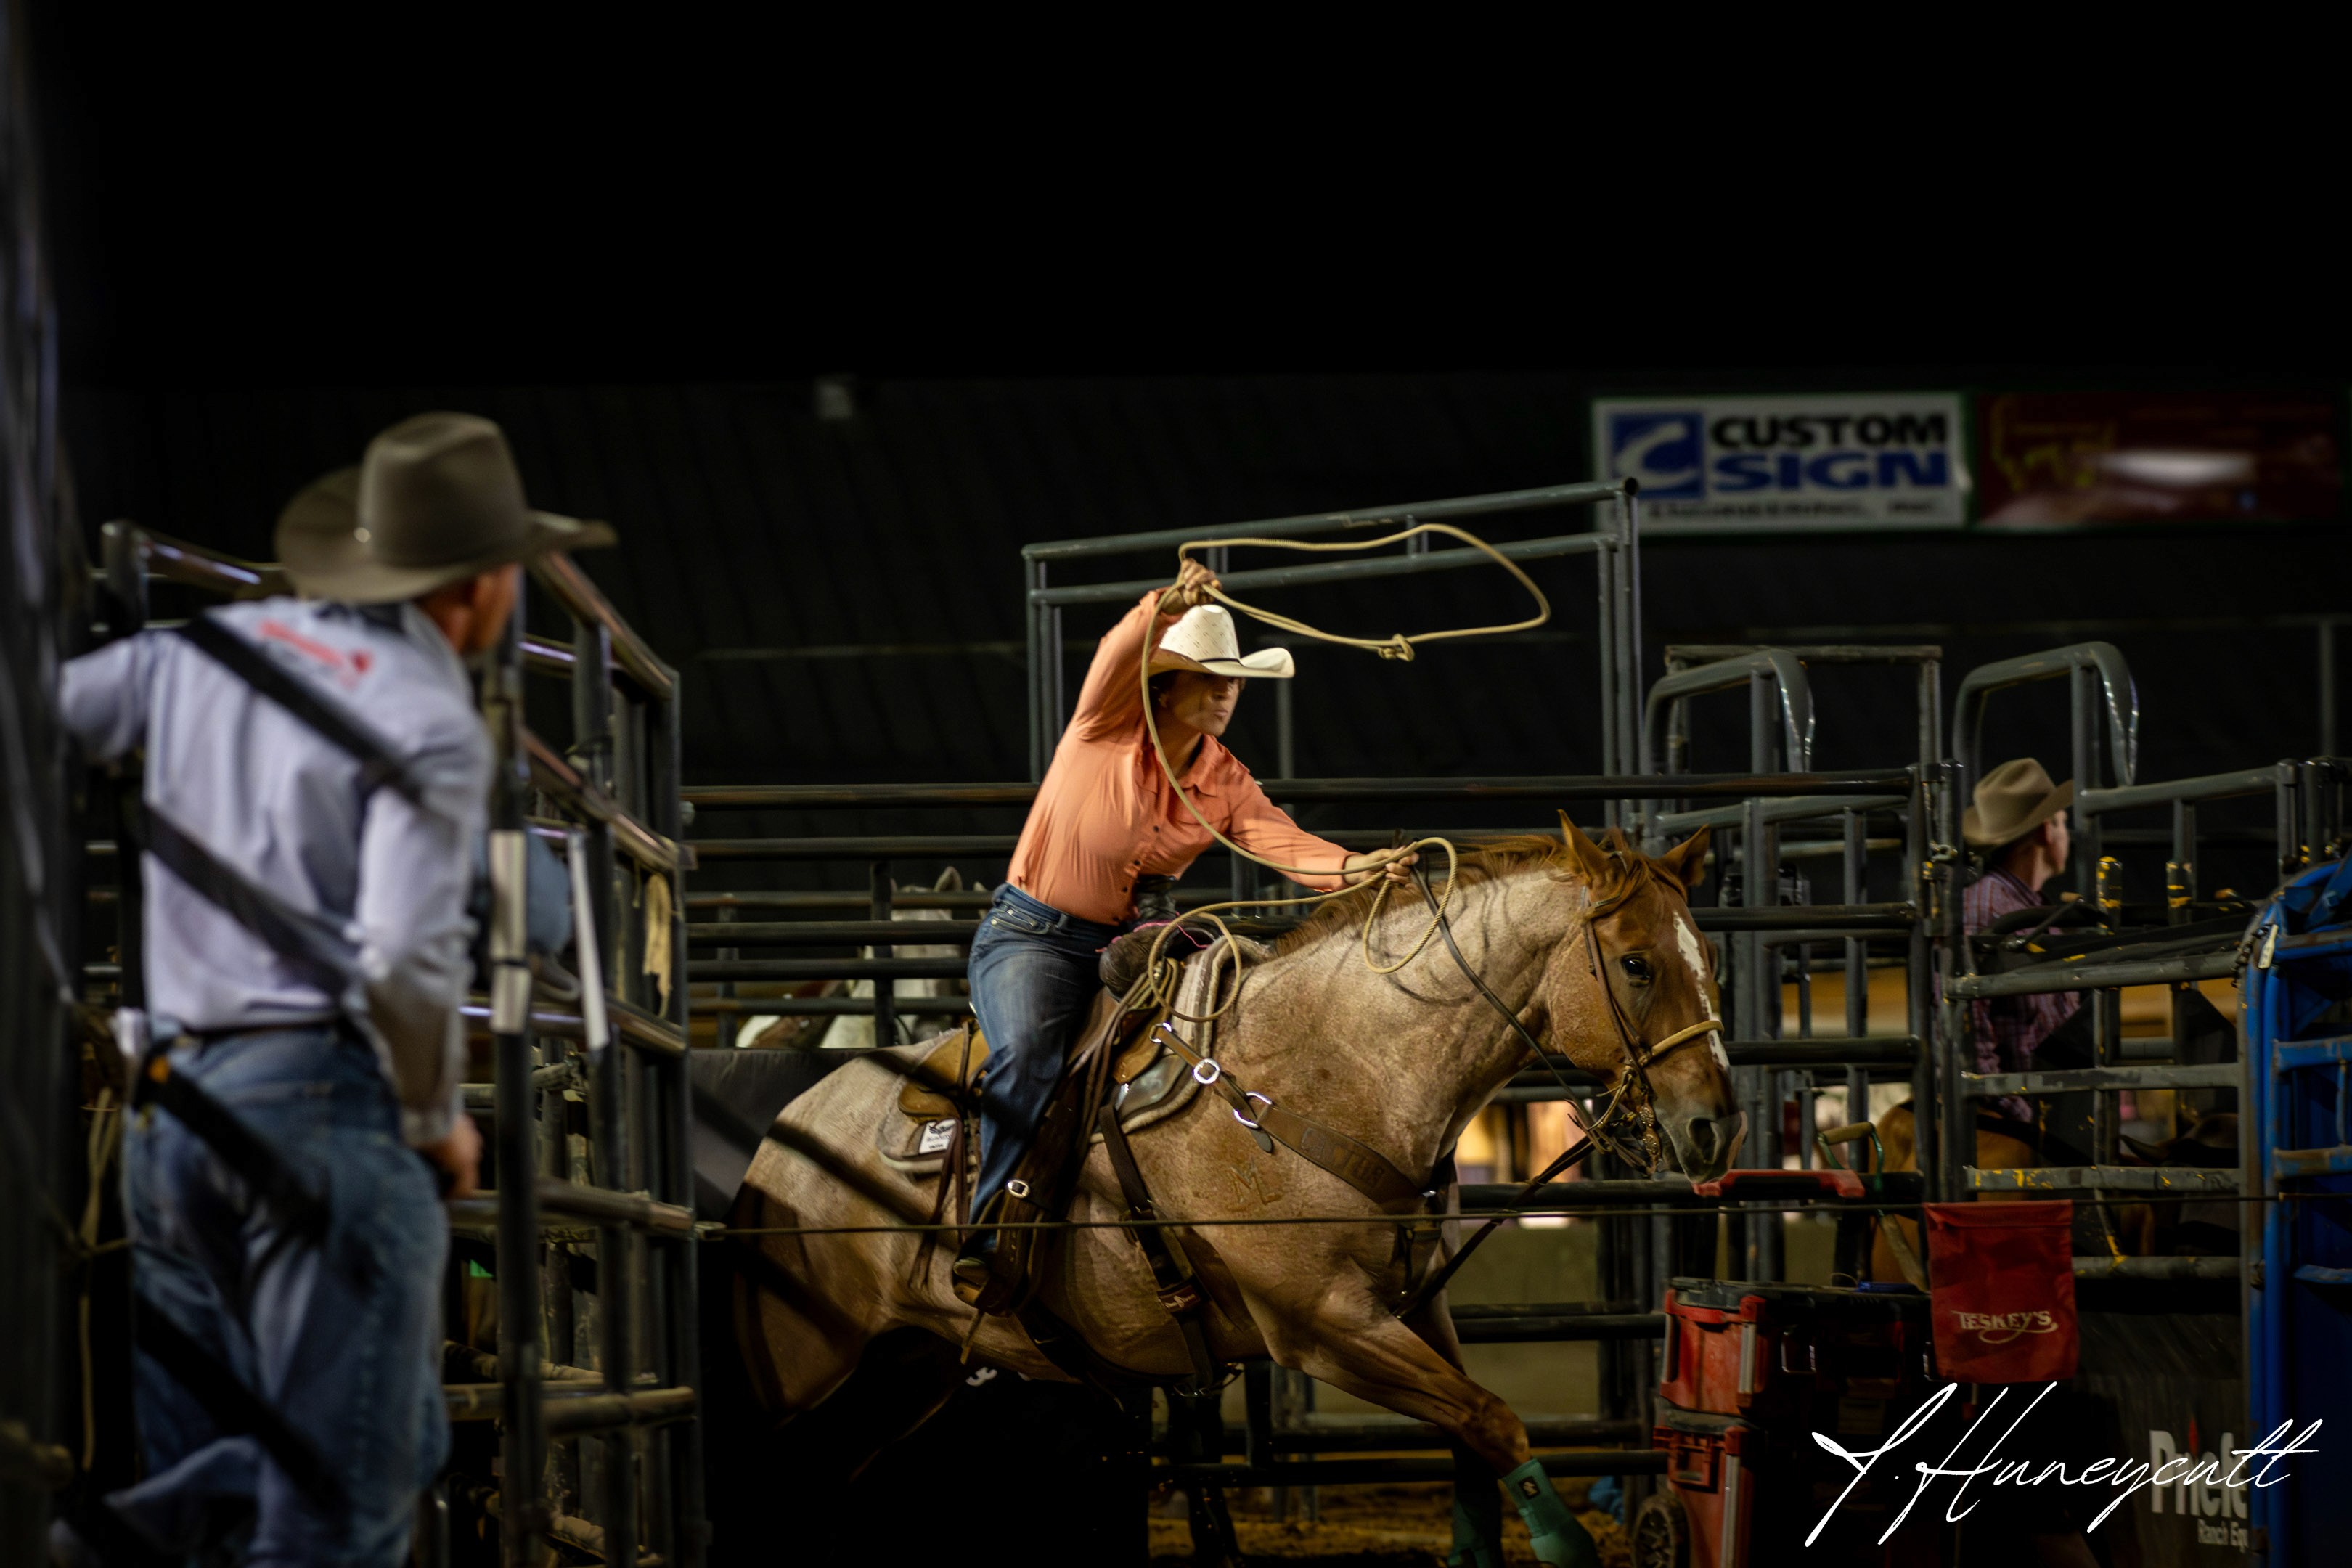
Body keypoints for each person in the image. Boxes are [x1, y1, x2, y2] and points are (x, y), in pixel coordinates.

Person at [55, 412, 613, 1566]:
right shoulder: (432, 724)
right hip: (321, 1110)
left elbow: (49, 713)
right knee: (339, 1507)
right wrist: (430, 1120)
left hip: (169, 1106)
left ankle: (124, 1539)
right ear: (482, 585)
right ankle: (98, 1546)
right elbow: (401, 956)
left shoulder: (197, 653)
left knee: (361, 1441)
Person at [956, 559, 1417, 1289]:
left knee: (1230, 1024)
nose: (1227, 693)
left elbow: (1282, 843)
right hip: (1032, 934)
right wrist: (1164, 604)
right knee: (1028, 1057)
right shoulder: (1102, 730)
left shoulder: (1226, 779)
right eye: (1210, 678)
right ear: (1164, 687)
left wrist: (1361, 868)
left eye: (1233, 681)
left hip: (1131, 941)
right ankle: (989, 1231)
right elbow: (1116, 656)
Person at [1961, 758, 2081, 1125]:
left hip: (2036, 1109)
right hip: (2018, 1118)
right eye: (2062, 823)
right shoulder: (1989, 911)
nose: (2067, 835)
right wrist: (2026, 1117)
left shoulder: (2023, 908)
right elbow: (1968, 1032)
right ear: (2046, 830)